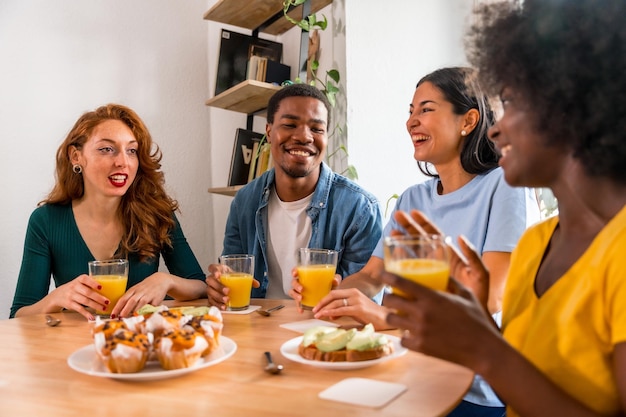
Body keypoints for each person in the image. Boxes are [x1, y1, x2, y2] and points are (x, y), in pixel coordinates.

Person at [382, 1, 626, 416]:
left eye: (511, 102)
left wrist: (483, 347)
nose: (496, 127)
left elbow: (498, 365)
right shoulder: (534, 245)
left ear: (572, 102)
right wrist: (474, 318)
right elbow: (520, 391)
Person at [306, 66, 540, 416]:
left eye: (426, 109)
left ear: (469, 120)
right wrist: (338, 292)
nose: (411, 121)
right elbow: (372, 276)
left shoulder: (504, 187)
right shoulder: (412, 199)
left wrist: (387, 316)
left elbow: (491, 297)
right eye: (410, 111)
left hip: (474, 389)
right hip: (406, 368)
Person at [11, 104, 207, 320]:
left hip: (140, 346)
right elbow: (19, 316)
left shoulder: (157, 213)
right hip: (72, 348)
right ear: (76, 156)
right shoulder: (45, 221)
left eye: (131, 151)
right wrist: (56, 298)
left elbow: (200, 286)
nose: (123, 162)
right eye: (107, 149)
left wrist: (165, 280)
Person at [206, 83, 382, 308]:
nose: (304, 137)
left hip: (322, 330)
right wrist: (220, 286)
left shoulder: (359, 208)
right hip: (257, 327)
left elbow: (367, 298)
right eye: (290, 124)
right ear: (269, 132)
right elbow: (231, 272)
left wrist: (341, 294)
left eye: (317, 129)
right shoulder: (244, 201)